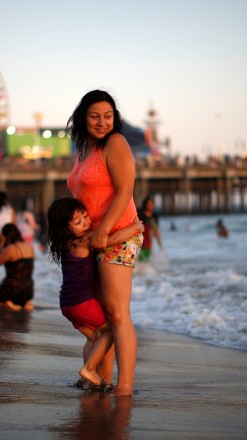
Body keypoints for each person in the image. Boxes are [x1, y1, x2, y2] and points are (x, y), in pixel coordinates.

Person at [66, 89, 143, 396]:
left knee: (117, 312)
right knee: (101, 318)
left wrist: (104, 230)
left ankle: (124, 388)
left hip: (118, 234)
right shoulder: (85, 149)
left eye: (108, 116)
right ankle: (105, 379)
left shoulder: (116, 143)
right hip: (94, 239)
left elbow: (125, 190)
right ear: (83, 118)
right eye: (95, 116)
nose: (102, 122)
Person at [47, 197, 144, 388]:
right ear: (66, 229)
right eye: (78, 222)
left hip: (67, 303)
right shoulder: (85, 240)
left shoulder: (67, 244)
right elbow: (112, 240)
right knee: (110, 331)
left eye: (85, 216)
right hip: (81, 302)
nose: (85, 222)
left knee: (93, 338)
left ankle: (88, 380)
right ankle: (89, 369)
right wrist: (135, 228)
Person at [0, 223, 35, 312]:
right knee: (20, 294)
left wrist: (1, 243)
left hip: (11, 289)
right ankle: (26, 303)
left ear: (6, 236)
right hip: (28, 290)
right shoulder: (30, 247)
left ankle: (5, 304)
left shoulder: (11, 248)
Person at [137, 196, 162, 262]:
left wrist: (160, 244)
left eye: (152, 204)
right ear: (145, 205)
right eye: (149, 204)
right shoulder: (139, 213)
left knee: (145, 259)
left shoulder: (154, 216)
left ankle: (144, 270)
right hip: (139, 238)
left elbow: (156, 230)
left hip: (148, 241)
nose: (150, 206)